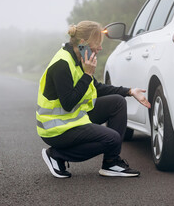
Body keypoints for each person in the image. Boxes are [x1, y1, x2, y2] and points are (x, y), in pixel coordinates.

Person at [37, 21, 151, 178]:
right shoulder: (62, 64)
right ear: (83, 43)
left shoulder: (79, 57)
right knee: (112, 138)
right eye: (97, 43)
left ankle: (112, 162)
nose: (100, 48)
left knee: (117, 102)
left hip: (72, 119)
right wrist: (88, 74)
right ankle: (57, 155)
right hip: (57, 128)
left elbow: (96, 87)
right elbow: (68, 103)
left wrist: (130, 91)